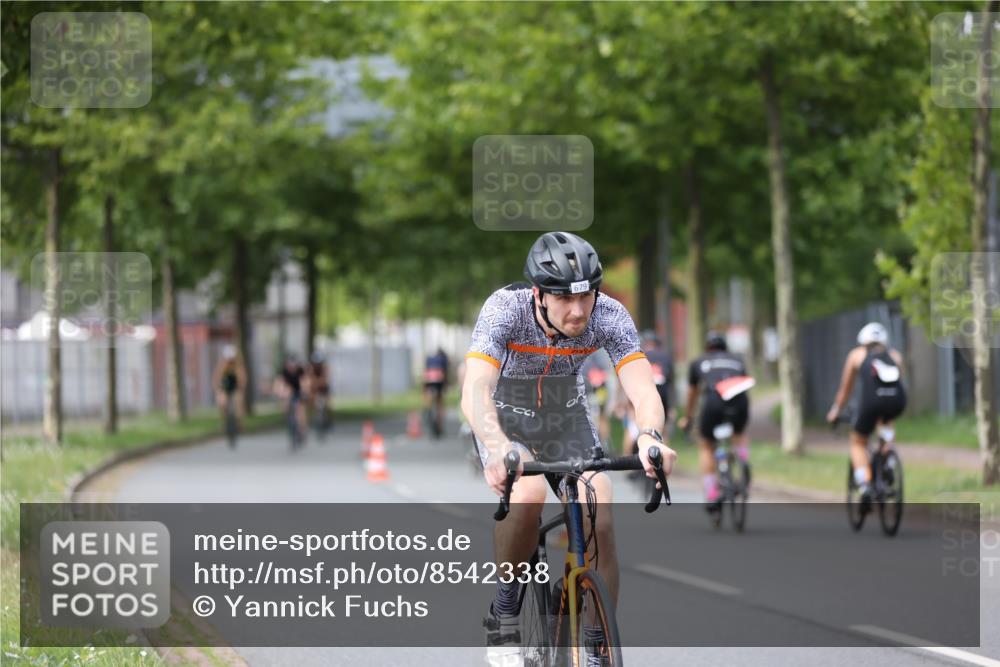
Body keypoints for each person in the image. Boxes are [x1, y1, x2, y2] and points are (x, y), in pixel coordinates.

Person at [461, 231, 677, 667]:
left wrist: (651, 435)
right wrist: (497, 444)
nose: (578, 311)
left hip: (568, 420)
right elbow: (475, 387)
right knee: (529, 494)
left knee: (601, 506)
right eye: (564, 299)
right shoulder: (504, 309)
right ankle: (505, 609)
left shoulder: (610, 315)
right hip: (507, 421)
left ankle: (595, 639)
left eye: (587, 297)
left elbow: (641, 386)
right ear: (538, 294)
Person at [825, 322, 907, 501]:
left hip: (871, 403)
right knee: (886, 421)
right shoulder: (894, 355)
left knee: (858, 442)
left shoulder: (857, 355)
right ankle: (888, 458)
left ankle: (864, 484)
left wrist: (836, 410)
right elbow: (901, 379)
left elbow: (846, 389)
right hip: (897, 401)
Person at [678, 331, 751, 512]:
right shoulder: (738, 359)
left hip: (713, 402)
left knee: (706, 445)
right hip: (739, 401)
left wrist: (688, 417)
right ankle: (742, 460)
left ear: (707, 348)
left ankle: (711, 493)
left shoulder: (698, 362)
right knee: (739, 433)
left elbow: (692, 394)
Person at [273, 353, 307, 444]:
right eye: (289, 365)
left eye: (293, 365)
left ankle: (302, 430)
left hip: (299, 391)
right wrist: (278, 393)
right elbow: (279, 383)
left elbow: (305, 382)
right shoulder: (284, 372)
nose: (291, 367)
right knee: (286, 402)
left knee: (300, 411)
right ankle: (289, 421)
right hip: (289, 392)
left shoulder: (300, 371)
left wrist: (304, 391)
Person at [212, 344, 246, 430]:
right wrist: (217, 390)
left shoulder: (238, 365)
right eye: (228, 358)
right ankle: (224, 421)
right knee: (222, 401)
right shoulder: (221, 366)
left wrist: (241, 388)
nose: (230, 360)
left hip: (235, 388)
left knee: (238, 401)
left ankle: (239, 422)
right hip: (224, 388)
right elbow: (216, 379)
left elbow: (242, 378)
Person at [424, 347, 449, 437]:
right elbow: (445, 373)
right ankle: (439, 423)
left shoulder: (429, 360)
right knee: (440, 402)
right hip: (439, 380)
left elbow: (425, 372)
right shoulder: (443, 359)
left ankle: (427, 408)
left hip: (429, 379)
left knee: (429, 396)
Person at [305, 350, 332, 432]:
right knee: (310, 401)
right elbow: (308, 379)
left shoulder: (325, 368)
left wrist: (317, 382)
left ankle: (328, 419)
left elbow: (325, 380)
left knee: (328, 404)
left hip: (324, 388)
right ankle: (311, 419)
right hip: (314, 388)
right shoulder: (310, 368)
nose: (317, 365)